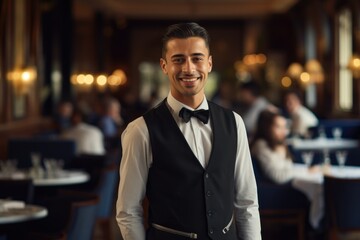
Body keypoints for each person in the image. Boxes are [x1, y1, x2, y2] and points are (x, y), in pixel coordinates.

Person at [116, 22, 261, 240]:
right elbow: (128, 211)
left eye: (197, 58)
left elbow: (247, 203)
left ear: (209, 64)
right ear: (164, 66)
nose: (189, 68)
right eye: (178, 60)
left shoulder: (235, 123)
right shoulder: (140, 130)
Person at [250, 110, 294, 184]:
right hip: (271, 191)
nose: (284, 132)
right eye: (278, 127)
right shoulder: (260, 145)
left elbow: (288, 168)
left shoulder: (278, 143)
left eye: (284, 127)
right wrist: (303, 172)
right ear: (267, 128)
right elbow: (278, 177)